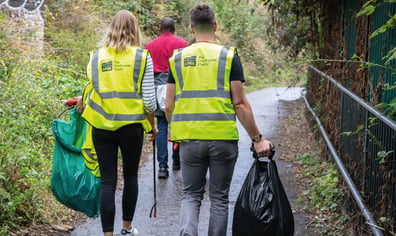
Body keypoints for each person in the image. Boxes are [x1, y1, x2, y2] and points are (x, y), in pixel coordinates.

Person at [165, 4, 273, 236]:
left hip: (190, 138)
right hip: (223, 138)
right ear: (215, 26)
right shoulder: (228, 56)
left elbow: (168, 104)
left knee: (191, 195)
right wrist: (257, 139)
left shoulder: (178, 58)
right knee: (219, 198)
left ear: (191, 28)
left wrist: (173, 129)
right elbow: (240, 103)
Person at [76, 10, 158, 236]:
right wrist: (152, 126)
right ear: (135, 29)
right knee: (131, 175)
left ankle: (107, 234)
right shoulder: (142, 57)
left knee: (108, 181)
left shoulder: (96, 57)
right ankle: (127, 228)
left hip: (101, 127)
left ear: (111, 28)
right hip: (131, 127)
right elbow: (150, 102)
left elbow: (93, 89)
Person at [145, 17, 188, 178]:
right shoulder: (183, 44)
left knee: (161, 127)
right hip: (175, 86)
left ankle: (162, 167)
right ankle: (177, 160)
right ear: (173, 28)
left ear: (160, 28)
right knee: (177, 123)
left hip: (156, 86)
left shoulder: (149, 45)